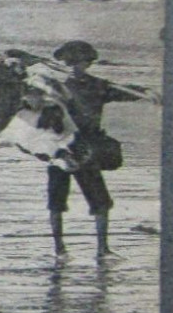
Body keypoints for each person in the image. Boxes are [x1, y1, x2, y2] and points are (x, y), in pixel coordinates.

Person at [46, 40, 141, 257]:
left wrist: (144, 92)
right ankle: (59, 248)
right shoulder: (55, 89)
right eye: (69, 63)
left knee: (100, 202)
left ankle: (102, 248)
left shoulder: (99, 86)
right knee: (56, 202)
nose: (73, 67)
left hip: (86, 148)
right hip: (59, 147)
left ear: (87, 63)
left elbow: (123, 92)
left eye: (78, 63)